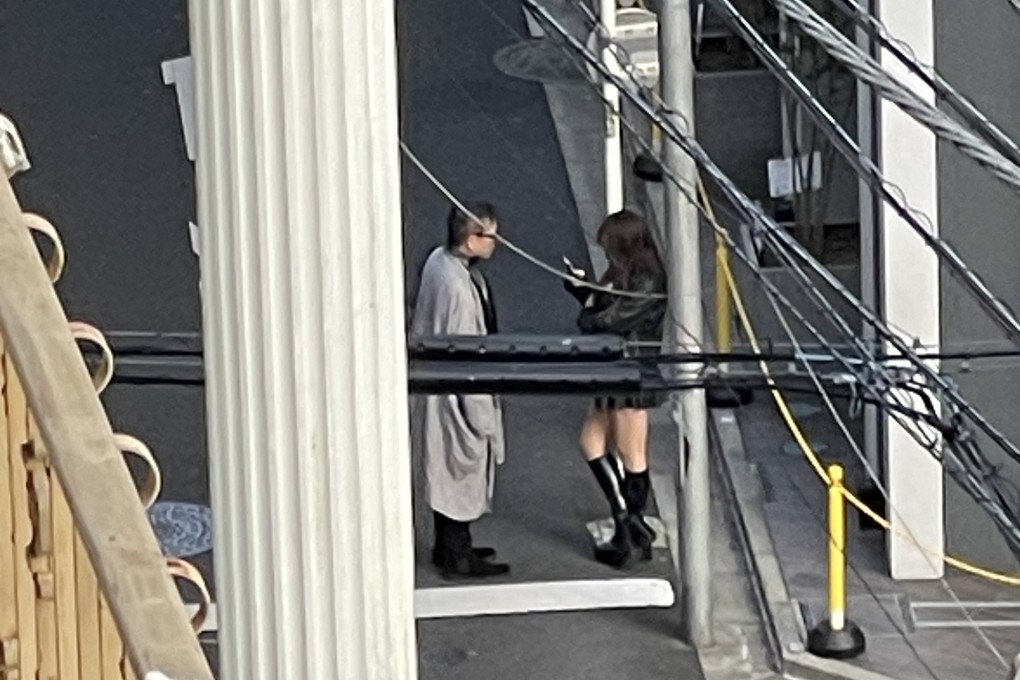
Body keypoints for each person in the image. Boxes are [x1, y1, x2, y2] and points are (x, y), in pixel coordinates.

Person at [410, 201, 509, 579]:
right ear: (472, 239)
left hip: (436, 387)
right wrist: (484, 418)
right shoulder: (459, 293)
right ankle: (456, 554)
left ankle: (450, 545)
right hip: (457, 396)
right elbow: (469, 357)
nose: (496, 242)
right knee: (458, 473)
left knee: (445, 472)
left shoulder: (439, 262)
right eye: (490, 235)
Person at [564, 210, 667, 568]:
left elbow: (610, 319)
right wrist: (585, 294)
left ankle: (628, 530)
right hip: (615, 368)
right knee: (592, 443)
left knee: (631, 453)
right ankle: (628, 520)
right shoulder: (628, 275)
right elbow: (604, 312)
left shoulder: (648, 279)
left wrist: (588, 309)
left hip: (631, 372)